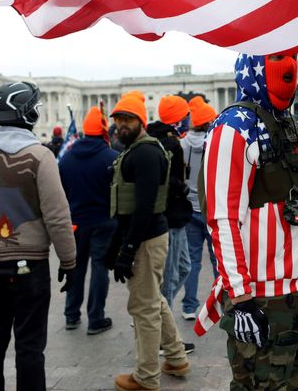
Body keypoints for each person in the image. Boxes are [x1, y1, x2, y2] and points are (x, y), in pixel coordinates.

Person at [194, 53, 298, 390]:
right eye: (277, 56)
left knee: (295, 381)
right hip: (260, 296)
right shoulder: (234, 127)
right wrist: (241, 300)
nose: (289, 67)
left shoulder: (290, 125)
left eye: (292, 56)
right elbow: (222, 220)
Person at [0, 81, 76, 391]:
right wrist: (68, 260)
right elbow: (57, 216)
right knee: (29, 347)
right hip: (30, 266)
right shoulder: (41, 156)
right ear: (29, 114)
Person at [107, 92, 189, 391]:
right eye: (118, 120)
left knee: (142, 308)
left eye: (127, 119)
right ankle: (177, 358)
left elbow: (143, 207)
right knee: (153, 300)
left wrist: (127, 250)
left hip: (146, 238)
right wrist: (118, 246)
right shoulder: (138, 151)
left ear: (141, 121)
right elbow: (127, 208)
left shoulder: (144, 154)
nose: (121, 126)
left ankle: (146, 375)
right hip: (144, 235)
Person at [57, 106, 118, 335]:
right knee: (100, 269)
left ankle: (71, 316)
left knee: (76, 268)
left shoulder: (67, 158)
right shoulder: (112, 157)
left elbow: (61, 191)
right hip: (103, 221)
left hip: (75, 222)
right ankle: (96, 318)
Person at [152, 95, 193, 313]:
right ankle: (161, 330)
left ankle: (157, 310)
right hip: (171, 216)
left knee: (184, 268)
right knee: (170, 277)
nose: (189, 118)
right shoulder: (170, 145)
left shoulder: (163, 140)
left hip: (177, 216)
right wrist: (180, 186)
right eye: (186, 114)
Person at [180, 96, 218, 321]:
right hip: (211, 208)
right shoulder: (214, 142)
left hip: (189, 208)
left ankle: (189, 305)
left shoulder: (182, 144)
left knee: (193, 260)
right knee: (217, 260)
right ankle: (220, 302)